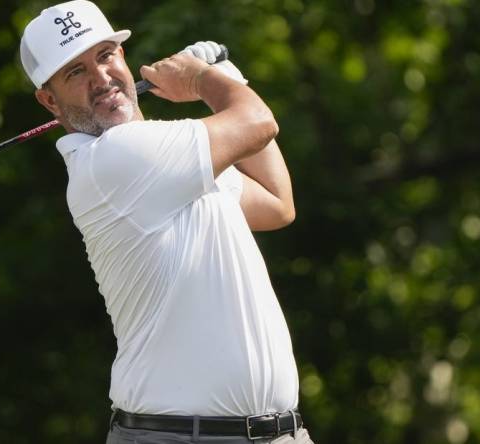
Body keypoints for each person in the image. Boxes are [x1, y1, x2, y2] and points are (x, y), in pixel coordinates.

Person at [20, 1, 312, 443]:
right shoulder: (115, 160)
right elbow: (257, 122)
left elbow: (276, 202)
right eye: (75, 72)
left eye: (105, 56)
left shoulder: (169, 158)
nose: (101, 79)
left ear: (122, 57)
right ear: (49, 100)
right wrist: (202, 79)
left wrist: (227, 77)